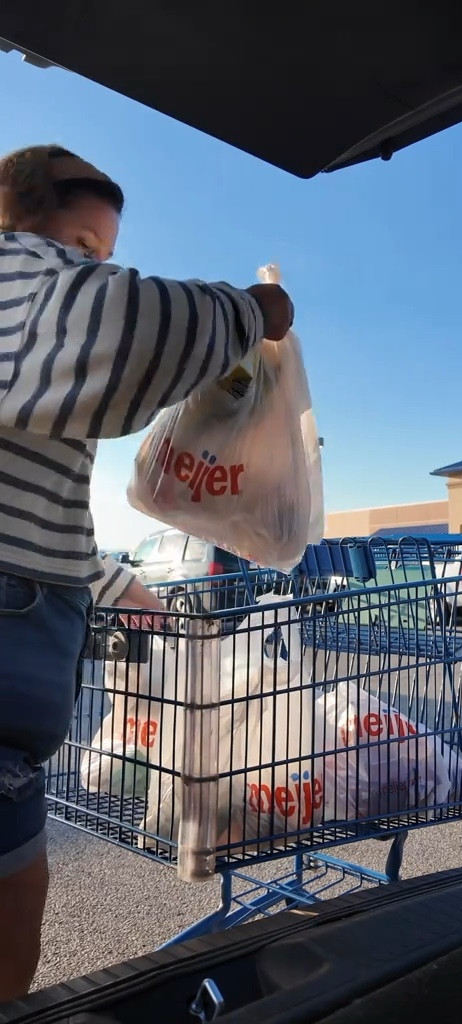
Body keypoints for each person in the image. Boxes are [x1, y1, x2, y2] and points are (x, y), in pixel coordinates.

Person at [0, 143, 294, 1002]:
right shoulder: (13, 273)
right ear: (19, 217)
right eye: (83, 247)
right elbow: (133, 329)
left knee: (17, 897)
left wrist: (114, 586)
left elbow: (25, 507)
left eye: (103, 255)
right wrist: (252, 310)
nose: (92, 270)